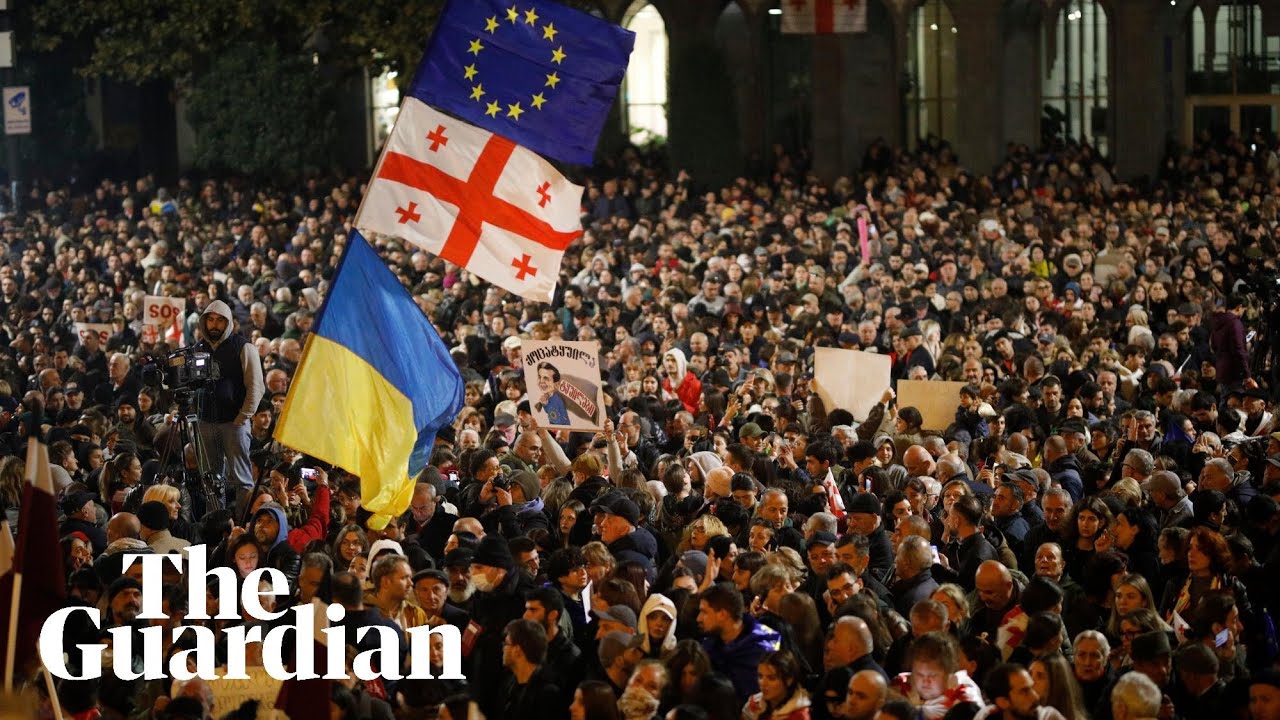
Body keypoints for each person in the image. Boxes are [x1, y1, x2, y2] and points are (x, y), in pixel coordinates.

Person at [193, 299, 264, 509]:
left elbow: (256, 386)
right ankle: (216, 524)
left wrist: (242, 417)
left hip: (234, 423)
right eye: (210, 320)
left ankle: (241, 524)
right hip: (206, 421)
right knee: (212, 480)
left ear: (229, 323)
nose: (214, 325)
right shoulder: (198, 348)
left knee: (242, 479)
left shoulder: (243, 347)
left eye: (219, 321)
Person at [534, 362, 572, 426]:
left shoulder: (556, 400)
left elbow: (554, 418)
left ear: (556, 384)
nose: (541, 381)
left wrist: (546, 404)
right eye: (539, 377)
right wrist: (545, 404)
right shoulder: (549, 397)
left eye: (546, 378)